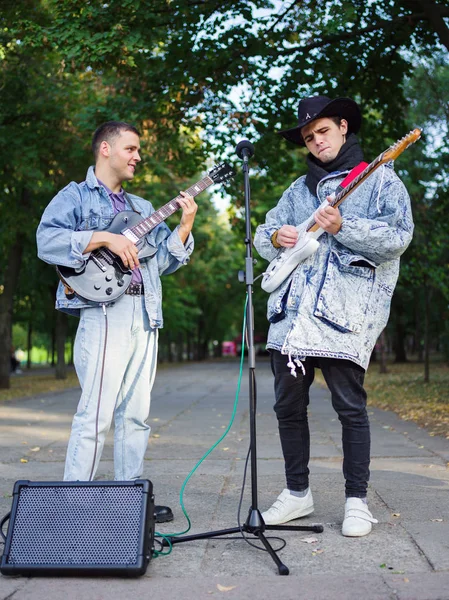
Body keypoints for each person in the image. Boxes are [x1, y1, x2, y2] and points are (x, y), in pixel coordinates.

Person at [253, 95, 414, 537]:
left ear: (343, 127)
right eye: (308, 137)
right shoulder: (296, 190)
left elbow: (398, 237)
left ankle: (357, 501)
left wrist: (345, 226)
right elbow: (262, 236)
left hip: (343, 315)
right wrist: (275, 235)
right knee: (287, 406)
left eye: (322, 131)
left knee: (350, 408)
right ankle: (296, 493)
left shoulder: (380, 180)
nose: (316, 141)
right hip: (291, 317)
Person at [36, 121, 197, 523]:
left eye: (138, 150)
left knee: (136, 414)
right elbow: (47, 241)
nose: (137, 156)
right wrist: (105, 238)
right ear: (105, 149)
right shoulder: (74, 196)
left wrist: (184, 227)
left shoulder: (143, 208)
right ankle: (73, 505)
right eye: (130, 148)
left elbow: (161, 263)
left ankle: (129, 500)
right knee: (97, 412)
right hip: (105, 313)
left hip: (146, 311)